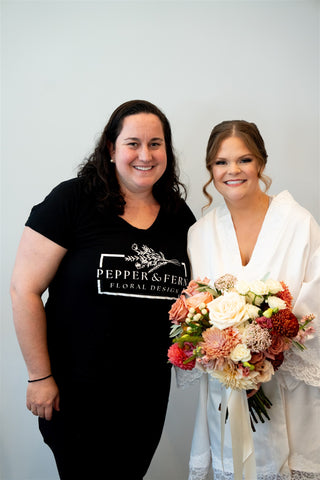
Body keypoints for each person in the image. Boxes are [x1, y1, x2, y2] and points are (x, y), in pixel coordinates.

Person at [10, 99, 196, 479]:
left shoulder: (180, 217)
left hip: (146, 394)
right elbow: (23, 289)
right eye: (133, 143)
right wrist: (39, 376)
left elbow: (195, 295)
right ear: (111, 149)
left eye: (156, 144)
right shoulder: (72, 200)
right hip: (75, 392)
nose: (145, 154)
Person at [187, 120, 320, 480]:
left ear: (260, 163)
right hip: (225, 387)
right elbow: (197, 307)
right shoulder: (199, 234)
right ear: (210, 168)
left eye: (244, 160)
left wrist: (265, 353)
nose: (232, 171)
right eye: (220, 162)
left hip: (287, 386)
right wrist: (229, 358)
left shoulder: (298, 224)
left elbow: (314, 303)